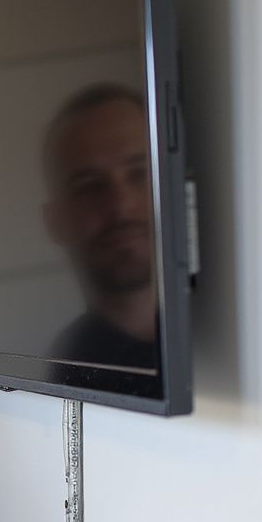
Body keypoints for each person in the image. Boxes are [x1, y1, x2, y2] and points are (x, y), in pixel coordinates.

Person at [42, 83, 159, 371]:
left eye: (139, 173)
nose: (121, 204)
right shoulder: (66, 370)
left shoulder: (251, 327)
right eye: (89, 186)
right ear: (55, 221)